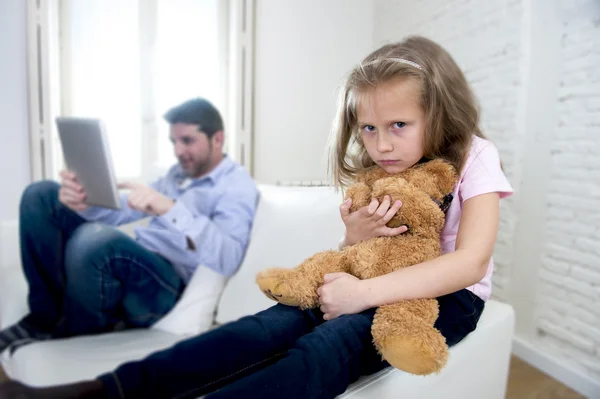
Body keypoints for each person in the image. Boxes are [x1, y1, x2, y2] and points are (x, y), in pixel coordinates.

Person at [0, 36, 513, 399]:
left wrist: (362, 295)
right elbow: (366, 249)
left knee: (327, 346)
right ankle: (101, 390)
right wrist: (353, 236)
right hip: (374, 279)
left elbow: (469, 263)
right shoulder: (380, 168)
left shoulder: (474, 156)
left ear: (437, 112)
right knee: (258, 330)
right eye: (370, 129)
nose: (380, 144)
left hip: (442, 299)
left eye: (398, 125)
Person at [0, 98, 258, 355]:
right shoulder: (176, 175)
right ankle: (44, 318)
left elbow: (229, 256)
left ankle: (72, 329)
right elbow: (117, 214)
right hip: (137, 261)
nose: (178, 151)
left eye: (187, 140)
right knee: (41, 194)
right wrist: (82, 203)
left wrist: (171, 209)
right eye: (173, 141)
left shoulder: (236, 186)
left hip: (165, 287)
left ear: (218, 139)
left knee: (93, 239)